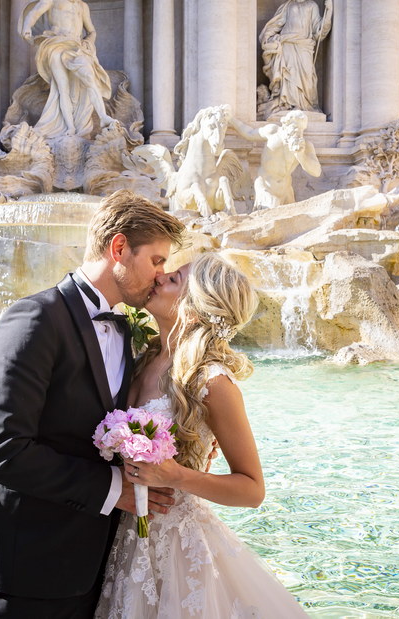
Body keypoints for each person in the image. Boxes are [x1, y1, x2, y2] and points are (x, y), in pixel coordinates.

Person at [0, 190, 186, 618]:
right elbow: (2, 450)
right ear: (119, 248)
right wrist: (114, 490)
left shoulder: (127, 330)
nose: (161, 275)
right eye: (157, 260)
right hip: (31, 568)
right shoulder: (36, 318)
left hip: (103, 566)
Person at [95, 253, 307, 617]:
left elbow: (253, 490)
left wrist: (177, 475)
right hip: (121, 535)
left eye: (174, 279)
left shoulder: (213, 383)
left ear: (194, 310)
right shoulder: (140, 359)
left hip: (177, 544)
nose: (159, 277)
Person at [20, 0, 117, 138]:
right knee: (61, 88)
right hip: (55, 44)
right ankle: (70, 128)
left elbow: (92, 30)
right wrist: (27, 27)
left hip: (77, 47)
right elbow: (36, 12)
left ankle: (103, 117)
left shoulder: (82, 6)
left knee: (90, 79)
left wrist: (89, 41)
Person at [260, 0, 333, 115]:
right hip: (287, 43)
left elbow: (318, 28)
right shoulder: (288, 6)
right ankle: (288, 104)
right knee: (289, 74)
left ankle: (306, 105)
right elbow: (277, 23)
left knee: (307, 75)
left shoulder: (311, 5)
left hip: (304, 46)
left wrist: (329, 11)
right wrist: (269, 36)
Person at [230, 109, 322, 210]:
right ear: (286, 124)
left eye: (301, 129)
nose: (298, 132)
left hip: (286, 190)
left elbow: (316, 172)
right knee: (269, 215)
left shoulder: (305, 146)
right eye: (295, 128)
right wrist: (230, 119)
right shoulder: (273, 132)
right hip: (266, 186)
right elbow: (249, 133)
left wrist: (300, 155)